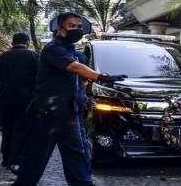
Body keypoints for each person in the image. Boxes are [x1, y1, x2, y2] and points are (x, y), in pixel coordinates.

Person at [14, 12, 126, 186]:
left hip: (69, 115)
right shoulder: (53, 48)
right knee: (35, 160)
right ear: (60, 29)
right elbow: (74, 67)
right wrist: (101, 76)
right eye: (72, 26)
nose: (77, 30)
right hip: (48, 116)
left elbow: (79, 81)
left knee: (77, 159)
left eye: (79, 27)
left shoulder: (72, 50)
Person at [0, 33, 39, 170]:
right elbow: (41, 81)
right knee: (22, 130)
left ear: (12, 42)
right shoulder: (35, 57)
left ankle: (6, 158)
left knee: (7, 129)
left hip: (6, 101)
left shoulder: (3, 58)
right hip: (27, 101)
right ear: (27, 42)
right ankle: (16, 160)